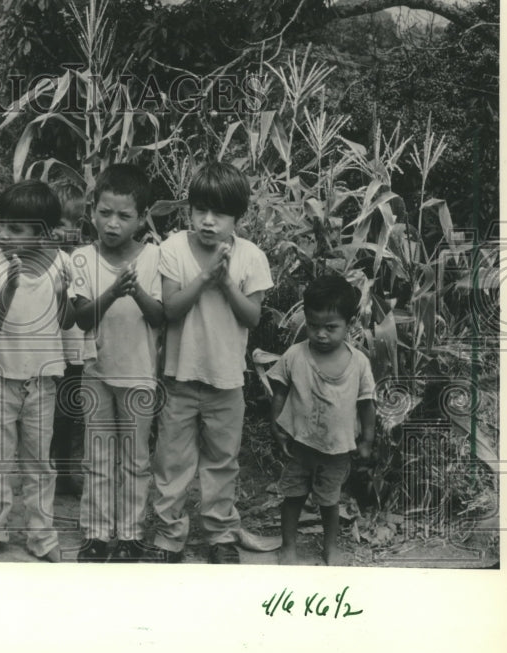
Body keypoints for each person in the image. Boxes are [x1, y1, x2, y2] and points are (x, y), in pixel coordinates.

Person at [151, 160, 273, 564]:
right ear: (189, 210)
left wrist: (225, 283)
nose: (207, 221)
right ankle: (170, 536)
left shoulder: (251, 257)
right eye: (199, 210)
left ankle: (220, 535)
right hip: (179, 379)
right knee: (173, 462)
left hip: (227, 380)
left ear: (237, 216)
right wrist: (205, 279)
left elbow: (252, 317)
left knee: (222, 462)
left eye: (218, 213)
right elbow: (170, 309)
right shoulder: (171, 250)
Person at [0, 180, 75, 562]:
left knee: (39, 465)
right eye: (2, 224)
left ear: (42, 234)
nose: (1, 233)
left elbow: (65, 322)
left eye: (15, 229)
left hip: (42, 383)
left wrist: (63, 295)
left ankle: (41, 536)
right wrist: (10, 288)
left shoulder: (61, 263)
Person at [71, 164, 164, 562]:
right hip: (96, 373)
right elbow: (82, 317)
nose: (112, 223)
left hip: (140, 374)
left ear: (142, 219)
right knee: (98, 455)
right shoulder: (81, 258)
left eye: (124, 216)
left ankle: (129, 535)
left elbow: (160, 316)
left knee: (135, 458)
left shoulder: (155, 258)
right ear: (92, 210)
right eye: (105, 213)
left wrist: (135, 291)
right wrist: (112, 292)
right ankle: (95, 533)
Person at [268, 274, 376, 565]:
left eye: (331, 327)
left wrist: (366, 439)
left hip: (336, 449)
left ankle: (331, 547)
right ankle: (288, 545)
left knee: (330, 501)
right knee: (293, 497)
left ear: (350, 324)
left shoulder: (359, 363)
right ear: (306, 318)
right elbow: (279, 392)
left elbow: (367, 404)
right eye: (314, 326)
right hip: (300, 444)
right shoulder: (295, 355)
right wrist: (278, 427)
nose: (321, 334)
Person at [48, 178, 90, 498]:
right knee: (57, 415)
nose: (67, 232)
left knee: (71, 414)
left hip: (77, 350)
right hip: (54, 352)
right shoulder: (48, 259)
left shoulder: (83, 258)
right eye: (60, 224)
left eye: (75, 224)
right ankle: (56, 473)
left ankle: (64, 472)